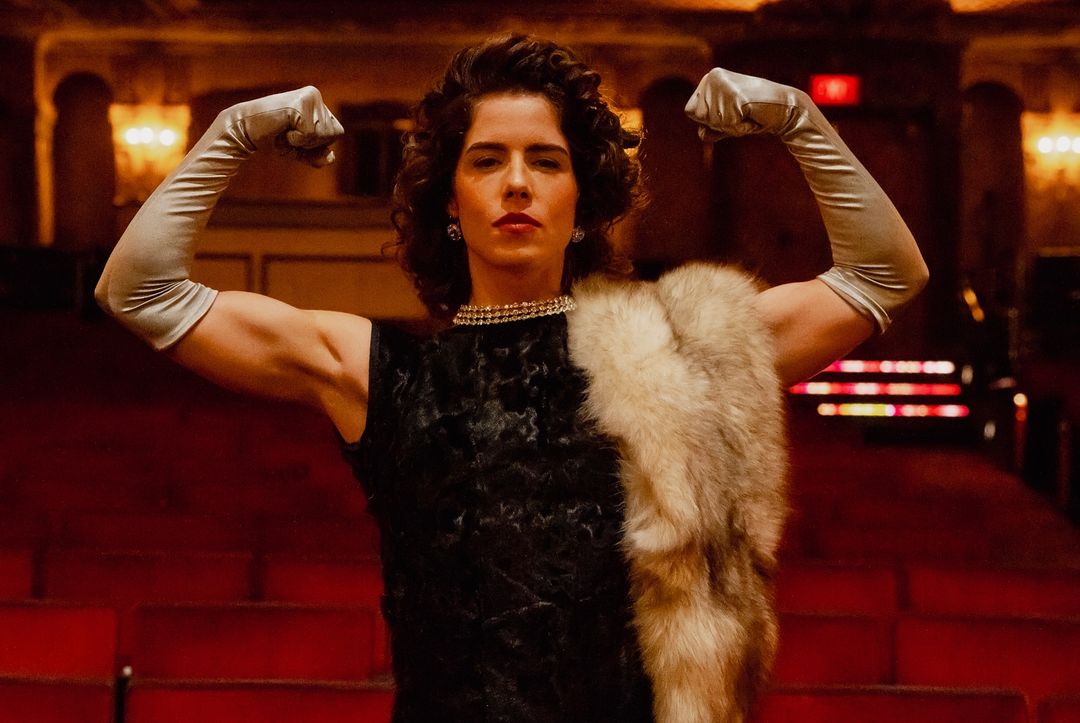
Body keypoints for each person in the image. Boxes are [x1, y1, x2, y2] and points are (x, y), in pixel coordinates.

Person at [95, 33, 927, 723]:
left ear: (583, 202)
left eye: (547, 162)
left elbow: (885, 274)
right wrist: (234, 130)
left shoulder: (674, 350)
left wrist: (799, 119)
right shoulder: (379, 372)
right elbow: (139, 290)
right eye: (487, 160)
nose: (518, 183)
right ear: (451, 203)